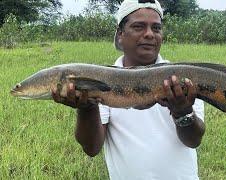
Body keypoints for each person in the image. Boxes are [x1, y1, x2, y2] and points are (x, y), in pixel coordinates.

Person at [52, 0, 205, 179]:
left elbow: (193, 141)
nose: (149, 34)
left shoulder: (180, 79)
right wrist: (87, 107)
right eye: (138, 26)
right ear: (120, 34)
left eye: (156, 28)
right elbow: (91, 148)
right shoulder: (100, 80)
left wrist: (183, 112)